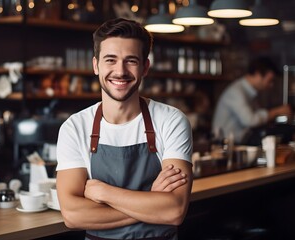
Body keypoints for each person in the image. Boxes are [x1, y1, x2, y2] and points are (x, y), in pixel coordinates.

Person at [56, 18, 193, 240]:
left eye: (131, 61)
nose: (120, 71)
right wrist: (150, 201)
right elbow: (72, 215)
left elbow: (174, 210)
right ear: (95, 65)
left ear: (145, 67)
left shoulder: (172, 121)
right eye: (110, 60)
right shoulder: (74, 128)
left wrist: (103, 193)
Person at [212, 56, 292, 145]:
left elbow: (257, 117)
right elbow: (250, 121)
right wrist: (278, 111)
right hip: (224, 146)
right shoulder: (236, 92)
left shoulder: (251, 93)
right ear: (258, 75)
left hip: (238, 144)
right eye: (270, 81)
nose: (271, 85)